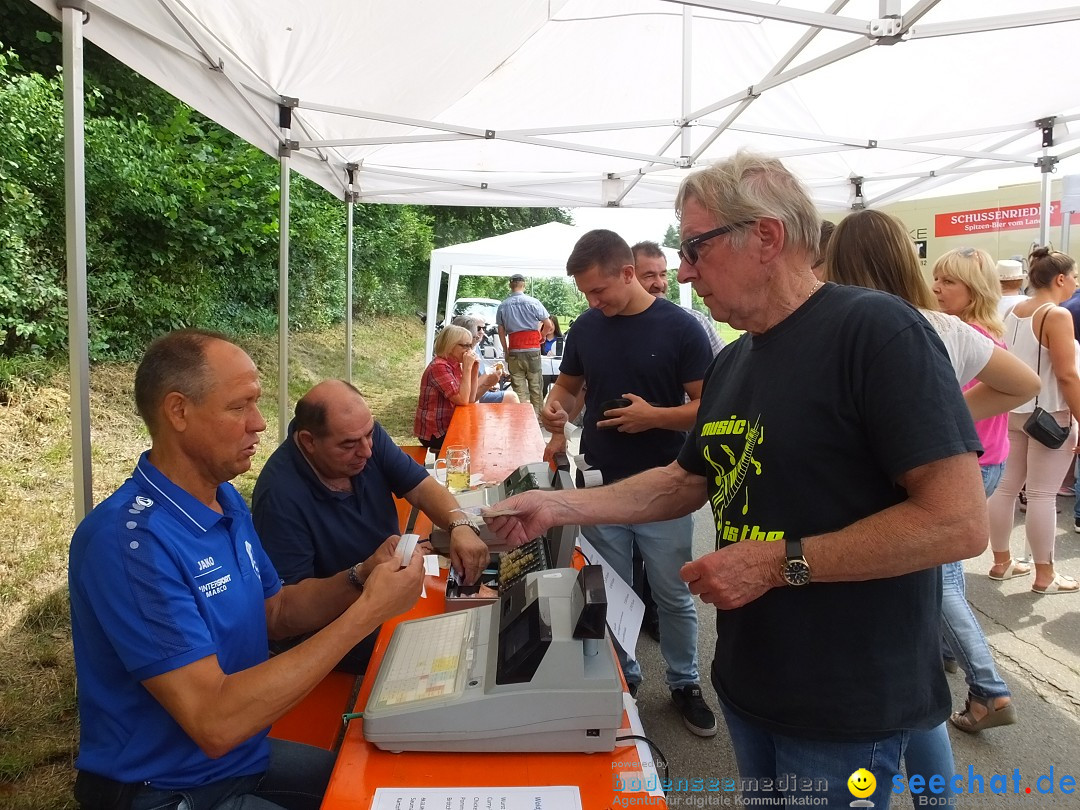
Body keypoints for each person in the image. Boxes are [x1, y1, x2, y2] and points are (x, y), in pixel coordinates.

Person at [487, 153, 987, 809]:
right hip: (752, 681)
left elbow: (957, 522)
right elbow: (680, 482)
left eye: (695, 247)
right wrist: (556, 505)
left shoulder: (877, 331)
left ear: (768, 237)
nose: (684, 269)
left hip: (844, 701)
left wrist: (779, 564)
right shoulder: (736, 360)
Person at [68, 329, 425, 810]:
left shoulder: (224, 500)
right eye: (240, 407)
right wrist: (366, 613)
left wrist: (360, 575)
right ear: (179, 411)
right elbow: (215, 722)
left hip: (240, 759)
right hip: (167, 789)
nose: (259, 423)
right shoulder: (130, 543)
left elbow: (276, 611)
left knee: (388, 785)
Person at [542, 229, 717, 737]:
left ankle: (685, 683)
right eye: (586, 295)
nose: (594, 302)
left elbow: (709, 410)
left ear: (626, 272)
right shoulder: (587, 327)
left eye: (600, 291)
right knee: (609, 591)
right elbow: (571, 390)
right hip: (598, 482)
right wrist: (557, 411)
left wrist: (655, 417)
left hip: (665, 486)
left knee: (672, 593)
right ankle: (625, 678)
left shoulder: (680, 328)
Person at [252, 379, 490, 673]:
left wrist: (460, 524)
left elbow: (419, 485)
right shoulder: (279, 495)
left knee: (475, 618)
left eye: (369, 435)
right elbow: (285, 614)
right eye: (349, 445)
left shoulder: (362, 436)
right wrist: (362, 575)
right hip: (338, 627)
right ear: (308, 442)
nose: (366, 451)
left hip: (388, 589)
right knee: (450, 650)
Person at [929, 245, 1028, 733]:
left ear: (975, 288)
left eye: (948, 281)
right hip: (988, 463)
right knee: (948, 570)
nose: (937, 288)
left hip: (969, 465)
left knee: (940, 579)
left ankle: (989, 690)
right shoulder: (990, 333)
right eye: (937, 279)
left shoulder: (964, 336)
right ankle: (948, 649)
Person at [987, 247, 1080, 594]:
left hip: (1013, 410)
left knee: (1007, 487)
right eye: (1073, 276)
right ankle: (1045, 575)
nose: (1074, 282)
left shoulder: (1015, 311)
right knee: (1042, 494)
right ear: (1059, 278)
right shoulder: (1055, 315)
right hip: (1050, 413)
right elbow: (1068, 376)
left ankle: (1001, 561)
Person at [631, 240, 726, 356]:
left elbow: (728, 366)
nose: (660, 284)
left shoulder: (695, 321)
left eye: (663, 274)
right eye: (649, 276)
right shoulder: (613, 324)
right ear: (629, 277)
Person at [414, 324, 478, 453]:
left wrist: (474, 369)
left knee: (480, 433)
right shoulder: (439, 367)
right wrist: (467, 368)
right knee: (475, 441)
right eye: (464, 345)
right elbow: (462, 400)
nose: (469, 350)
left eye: (470, 345)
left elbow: (471, 399)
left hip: (450, 425)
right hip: (435, 432)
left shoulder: (453, 365)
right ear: (450, 346)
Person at [496, 273, 553, 416]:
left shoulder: (503, 306)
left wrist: (505, 349)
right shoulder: (534, 302)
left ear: (510, 285)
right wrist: (543, 335)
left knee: (518, 388)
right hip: (533, 348)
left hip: (514, 349)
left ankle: (522, 417)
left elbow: (501, 331)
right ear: (524, 285)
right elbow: (549, 324)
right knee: (535, 386)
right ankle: (537, 418)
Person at [452, 315, 519, 404]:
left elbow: (470, 396)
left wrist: (491, 374)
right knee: (511, 397)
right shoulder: (461, 357)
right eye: (478, 328)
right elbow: (466, 397)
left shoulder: (475, 348)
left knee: (512, 397)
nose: (481, 332)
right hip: (471, 398)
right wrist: (487, 382)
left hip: (474, 395)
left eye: (484, 328)